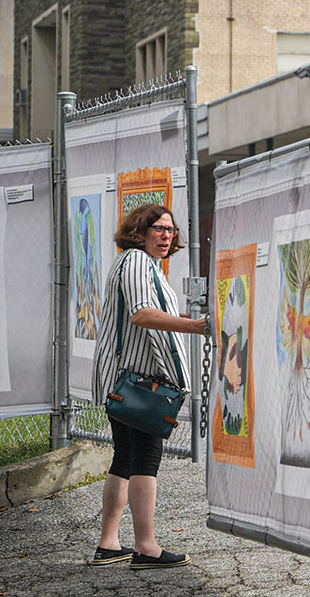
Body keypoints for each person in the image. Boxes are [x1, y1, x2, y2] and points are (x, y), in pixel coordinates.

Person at [91, 204, 206, 569]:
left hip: (123, 379)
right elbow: (142, 313)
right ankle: (146, 546)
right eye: (158, 229)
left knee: (124, 457)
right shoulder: (138, 262)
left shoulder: (134, 262)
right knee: (145, 457)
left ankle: (109, 544)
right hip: (138, 383)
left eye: (171, 231)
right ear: (138, 231)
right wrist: (197, 326)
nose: (167, 236)